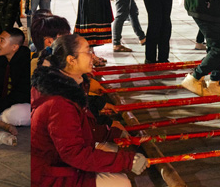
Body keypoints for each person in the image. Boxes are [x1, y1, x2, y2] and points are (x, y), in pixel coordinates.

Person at [31, 34, 148, 187]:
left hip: (57, 161)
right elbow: (74, 153)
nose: (93, 56)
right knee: (121, 183)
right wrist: (128, 161)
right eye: (87, 52)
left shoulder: (68, 84)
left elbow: (82, 128)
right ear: (71, 60)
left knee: (112, 150)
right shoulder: (59, 103)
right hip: (49, 174)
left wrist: (113, 133)